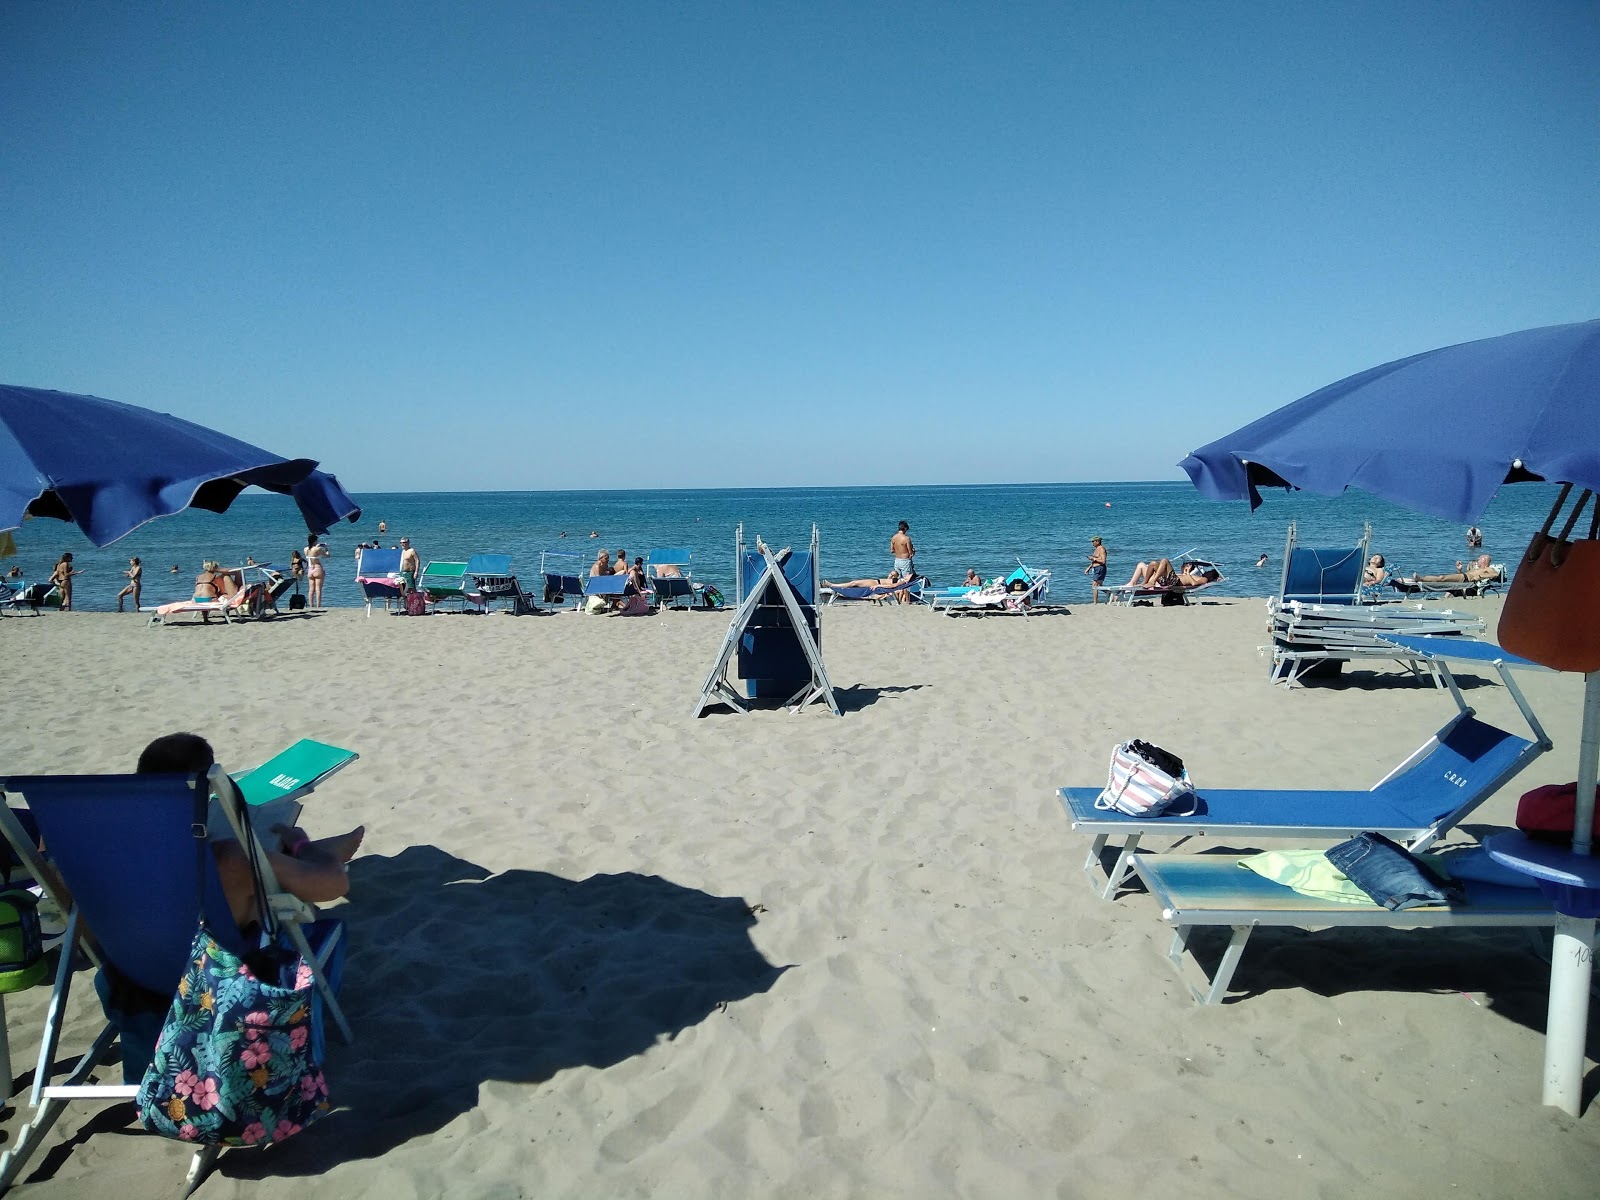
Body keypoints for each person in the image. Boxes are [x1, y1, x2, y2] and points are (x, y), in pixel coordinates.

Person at [136, 733, 363, 928]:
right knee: (261, 877)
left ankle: (307, 854)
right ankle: (316, 853)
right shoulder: (224, 857)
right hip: (208, 959)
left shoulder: (109, 853)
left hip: (127, 973)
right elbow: (336, 886)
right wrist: (301, 844)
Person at [1411, 554, 1499, 585]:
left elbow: (1495, 574)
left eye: (1479, 559)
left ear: (1484, 560)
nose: (1477, 560)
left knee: (1442, 578)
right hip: (1463, 577)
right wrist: (1460, 570)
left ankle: (1421, 579)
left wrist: (1480, 576)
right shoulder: (1476, 568)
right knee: (1442, 578)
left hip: (1465, 579)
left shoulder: (1488, 569)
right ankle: (1421, 579)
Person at [305, 533, 330, 608]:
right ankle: (318, 605)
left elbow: (311, 554)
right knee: (318, 589)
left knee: (311, 589)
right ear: (315, 541)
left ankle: (311, 605)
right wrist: (326, 548)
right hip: (317, 568)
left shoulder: (305, 549)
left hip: (310, 569)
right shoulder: (317, 549)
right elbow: (327, 555)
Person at [1084, 536, 1107, 604]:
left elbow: (1103, 561)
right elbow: (1095, 562)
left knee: (1094, 585)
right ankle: (1112, 594)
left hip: (1100, 568)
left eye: (1093, 541)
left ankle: (1095, 602)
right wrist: (1088, 568)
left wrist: (1094, 559)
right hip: (1096, 568)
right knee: (1099, 586)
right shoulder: (1096, 549)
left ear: (1097, 541)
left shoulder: (1101, 549)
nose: (1092, 543)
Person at [824, 570, 904, 590]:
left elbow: (892, 586)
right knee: (854, 583)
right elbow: (889, 579)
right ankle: (832, 585)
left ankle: (832, 585)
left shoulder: (900, 582)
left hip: (875, 583)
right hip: (875, 581)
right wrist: (891, 575)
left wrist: (878, 586)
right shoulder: (899, 579)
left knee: (853, 583)